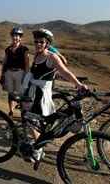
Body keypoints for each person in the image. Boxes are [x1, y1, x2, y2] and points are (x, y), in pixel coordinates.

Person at [21, 28, 87, 161]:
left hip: (41, 95)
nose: (38, 44)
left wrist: (78, 84)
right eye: (36, 41)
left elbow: (65, 72)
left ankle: (38, 150)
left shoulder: (51, 57)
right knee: (31, 120)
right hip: (32, 92)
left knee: (34, 120)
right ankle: (38, 146)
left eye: (41, 42)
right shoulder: (37, 55)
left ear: (47, 43)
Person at [0, 27, 30, 118]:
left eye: (17, 36)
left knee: (20, 94)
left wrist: (26, 76)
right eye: (14, 36)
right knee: (10, 93)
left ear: (20, 38)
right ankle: (11, 111)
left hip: (20, 73)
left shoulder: (24, 49)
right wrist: (2, 74)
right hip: (9, 72)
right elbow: (4, 62)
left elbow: (27, 64)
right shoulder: (8, 49)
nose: (15, 38)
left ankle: (23, 113)